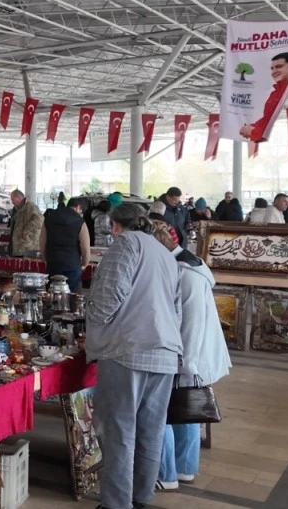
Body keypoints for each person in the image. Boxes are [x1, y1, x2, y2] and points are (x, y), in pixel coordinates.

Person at [83, 203, 182, 509]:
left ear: (114, 226)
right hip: (164, 349)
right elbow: (176, 306)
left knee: (118, 430)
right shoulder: (165, 253)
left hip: (128, 350)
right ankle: (140, 498)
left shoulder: (124, 244)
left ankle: (115, 503)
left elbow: (107, 298)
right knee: (150, 430)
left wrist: (88, 317)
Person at [149, 222, 231, 491]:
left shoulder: (188, 274)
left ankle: (167, 473)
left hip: (187, 357)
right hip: (187, 357)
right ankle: (184, 468)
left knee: (164, 413)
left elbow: (192, 324)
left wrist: (184, 364)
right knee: (184, 413)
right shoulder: (183, 266)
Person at [239, 52, 288, 142]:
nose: (274, 71)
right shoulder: (274, 93)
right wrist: (251, 127)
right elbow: (266, 119)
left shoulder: (287, 90)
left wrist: (253, 131)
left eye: (279, 66)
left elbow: (271, 123)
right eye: (272, 68)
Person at [40, 197, 91, 292]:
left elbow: (42, 242)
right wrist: (84, 264)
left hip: (53, 264)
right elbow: (85, 247)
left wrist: (45, 259)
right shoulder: (80, 222)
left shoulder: (49, 218)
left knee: (52, 295)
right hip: (72, 265)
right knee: (72, 297)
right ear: (78, 207)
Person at [10, 189, 43, 256]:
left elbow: (40, 220)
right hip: (19, 248)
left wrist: (27, 231)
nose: (12, 202)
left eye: (13, 199)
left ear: (19, 198)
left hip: (28, 248)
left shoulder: (30, 207)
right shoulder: (18, 209)